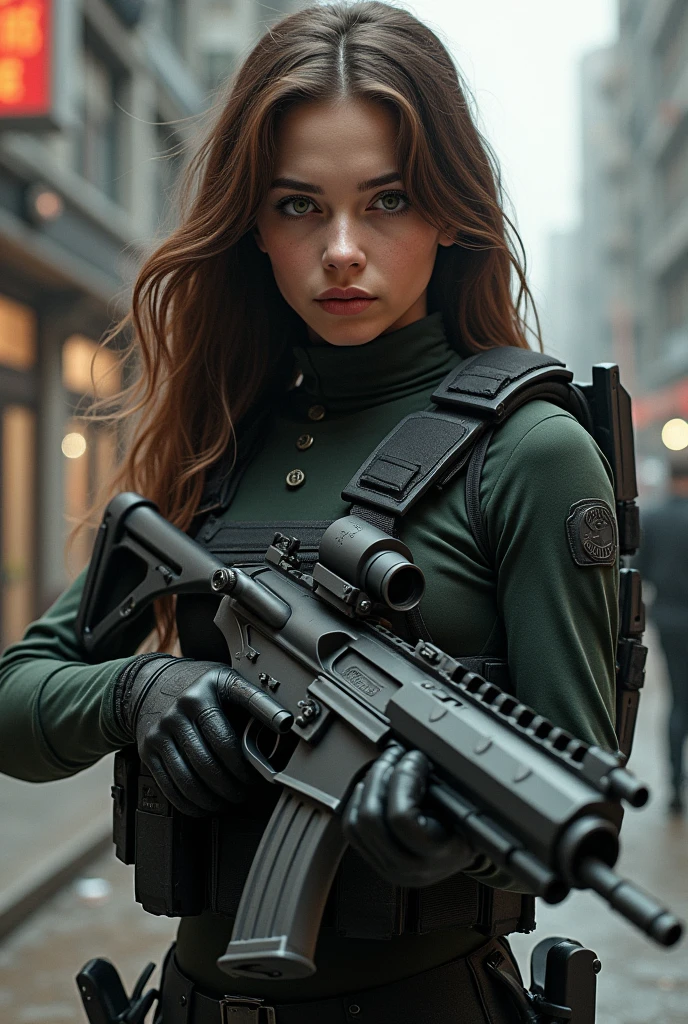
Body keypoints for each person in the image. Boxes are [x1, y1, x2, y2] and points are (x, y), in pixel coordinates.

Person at [0, 4, 619, 1022]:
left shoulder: (531, 453)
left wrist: (444, 822)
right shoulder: (217, 438)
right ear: (251, 220)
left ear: (450, 213)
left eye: (386, 201)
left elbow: (576, 787)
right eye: (298, 206)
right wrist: (137, 691)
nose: (341, 249)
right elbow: (17, 699)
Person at [637, 458, 688, 815]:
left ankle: (674, 786)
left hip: (670, 620)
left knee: (677, 702)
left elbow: (640, 571)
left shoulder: (653, 518)